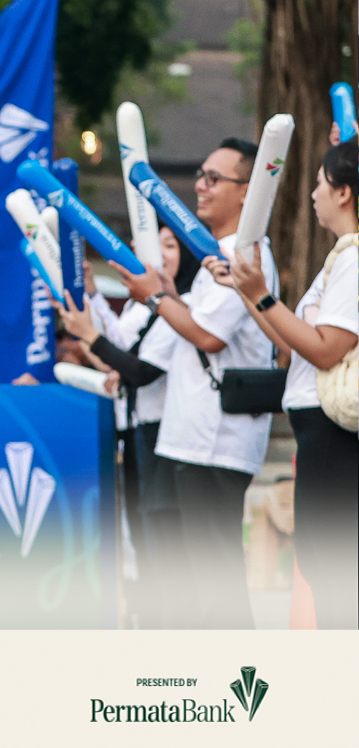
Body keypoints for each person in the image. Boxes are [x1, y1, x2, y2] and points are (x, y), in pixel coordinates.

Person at [115, 137, 274, 629]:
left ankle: (241, 676)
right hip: (193, 438)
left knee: (216, 586)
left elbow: (207, 336)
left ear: (247, 191)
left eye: (214, 178)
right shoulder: (215, 255)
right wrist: (166, 295)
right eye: (201, 176)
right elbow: (196, 323)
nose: (200, 186)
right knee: (198, 585)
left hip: (215, 442)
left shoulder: (244, 254)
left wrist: (155, 298)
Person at [206, 138, 358, 629]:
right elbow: (293, 343)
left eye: (319, 183)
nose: (312, 194)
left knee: (336, 581)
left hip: (335, 439)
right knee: (325, 572)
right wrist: (249, 293)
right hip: (321, 436)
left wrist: (263, 296)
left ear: (344, 193)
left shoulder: (354, 261)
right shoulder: (342, 259)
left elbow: (325, 348)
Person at [58, 226, 191, 626]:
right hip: (134, 429)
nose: (159, 255)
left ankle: (170, 624)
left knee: (163, 540)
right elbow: (116, 348)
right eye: (153, 245)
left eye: (170, 246)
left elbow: (141, 370)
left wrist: (91, 337)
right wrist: (90, 298)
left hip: (164, 433)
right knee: (138, 530)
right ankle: (147, 620)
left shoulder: (182, 308)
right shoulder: (138, 309)